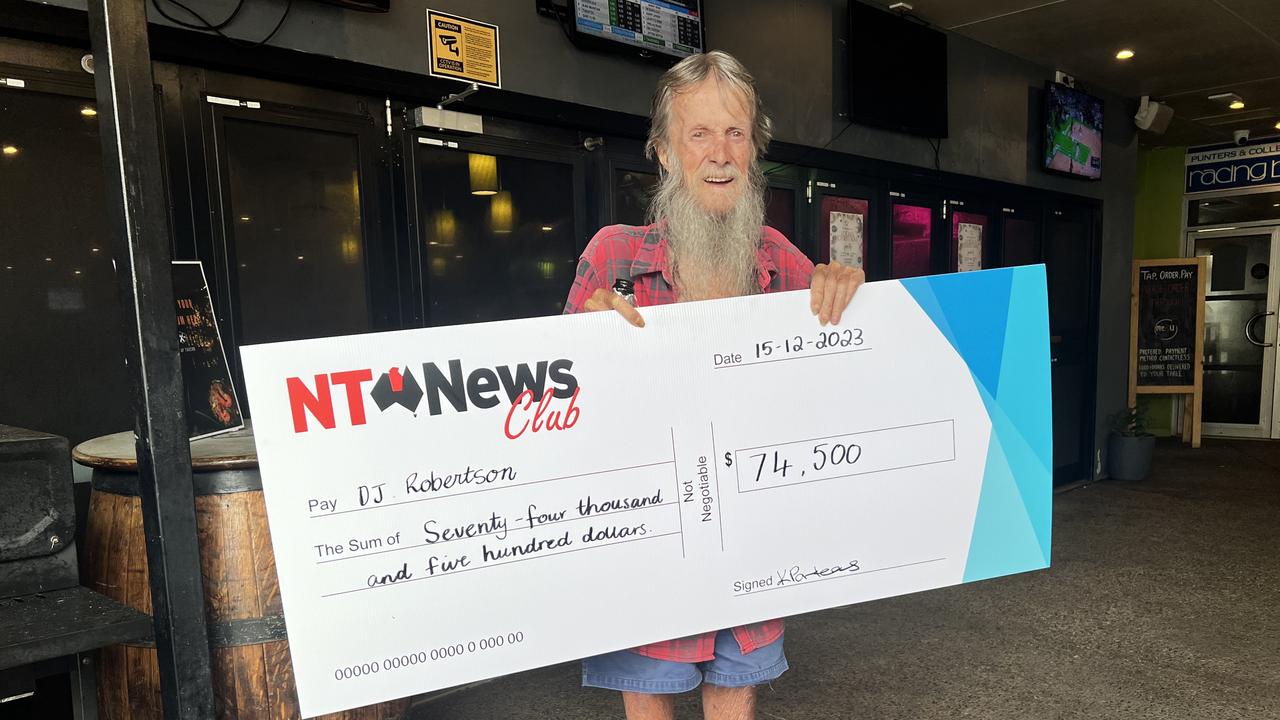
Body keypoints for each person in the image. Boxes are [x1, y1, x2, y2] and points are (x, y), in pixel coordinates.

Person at [563, 51, 864, 720]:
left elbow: (836, 378)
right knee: (649, 702)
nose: (720, 153)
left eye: (736, 133)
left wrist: (850, 299)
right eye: (699, 133)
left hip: (752, 532)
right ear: (666, 152)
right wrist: (591, 336)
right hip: (646, 538)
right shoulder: (620, 258)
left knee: (735, 695)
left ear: (754, 151)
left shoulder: (782, 263)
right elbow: (576, 376)